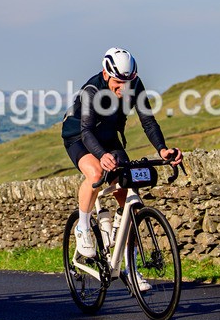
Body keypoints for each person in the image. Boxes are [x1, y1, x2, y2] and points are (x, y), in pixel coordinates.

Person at [61, 47, 183, 268]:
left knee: (128, 196)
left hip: (109, 137)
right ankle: (84, 227)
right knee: (96, 173)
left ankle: (131, 267)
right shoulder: (92, 90)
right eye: (118, 82)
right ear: (106, 74)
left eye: (128, 82)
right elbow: (87, 131)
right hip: (79, 136)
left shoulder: (135, 85)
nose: (123, 88)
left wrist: (162, 149)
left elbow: (148, 121)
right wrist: (101, 156)